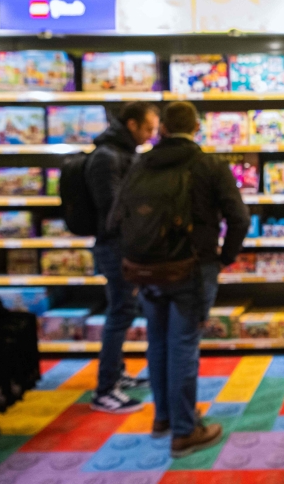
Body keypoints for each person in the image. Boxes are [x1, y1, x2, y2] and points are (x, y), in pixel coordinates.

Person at [110, 101, 249, 457]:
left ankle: (164, 418)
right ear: (197, 127)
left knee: (157, 343)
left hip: (146, 268)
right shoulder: (208, 164)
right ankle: (186, 432)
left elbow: (116, 216)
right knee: (184, 346)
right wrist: (224, 258)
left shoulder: (141, 163)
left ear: (163, 130)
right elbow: (239, 217)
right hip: (192, 267)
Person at [86, 101, 159, 413]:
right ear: (131, 125)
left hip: (125, 245)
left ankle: (118, 374)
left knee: (124, 310)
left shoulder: (123, 154)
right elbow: (113, 210)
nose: (151, 135)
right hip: (116, 247)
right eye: (147, 128)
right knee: (120, 313)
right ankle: (105, 390)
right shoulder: (106, 157)